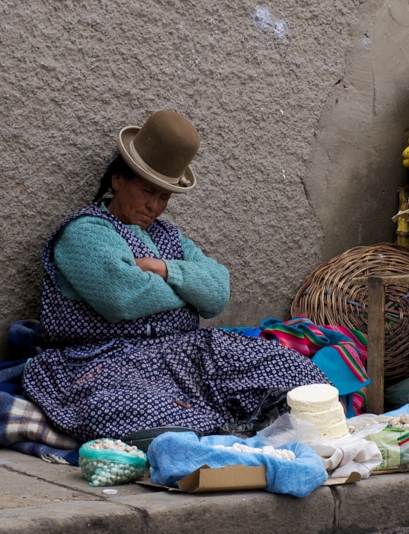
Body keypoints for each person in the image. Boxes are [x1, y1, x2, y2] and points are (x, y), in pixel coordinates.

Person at [22, 111, 331, 441]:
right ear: (117, 180)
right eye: (145, 191)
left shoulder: (169, 238)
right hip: (105, 362)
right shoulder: (84, 232)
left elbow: (217, 293)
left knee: (297, 373)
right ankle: (227, 430)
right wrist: (188, 293)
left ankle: (234, 426)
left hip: (186, 356)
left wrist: (163, 268)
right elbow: (123, 296)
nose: (153, 206)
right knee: (126, 410)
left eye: (163, 196)